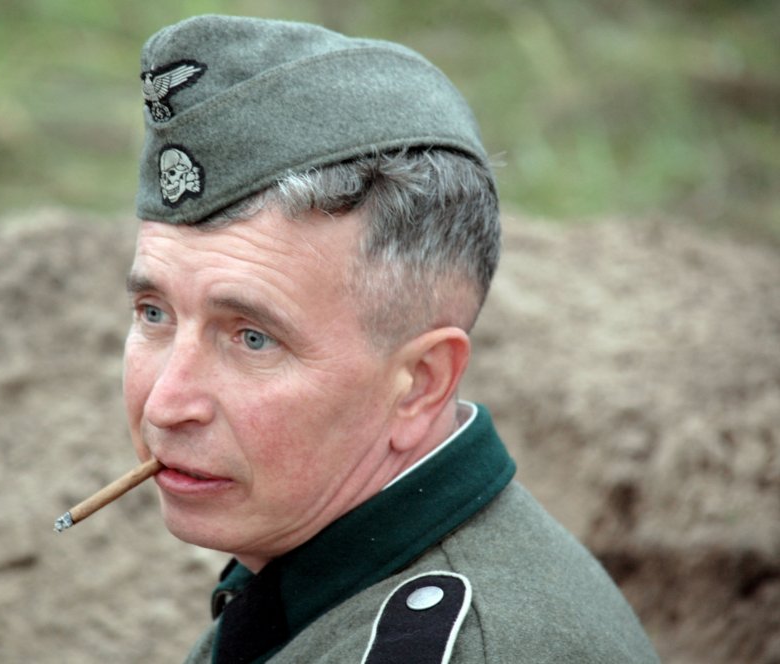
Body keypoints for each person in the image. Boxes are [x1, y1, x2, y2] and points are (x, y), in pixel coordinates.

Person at [123, 14, 660, 664]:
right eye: (154, 313)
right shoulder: (308, 570)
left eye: (253, 338)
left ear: (420, 385)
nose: (165, 405)